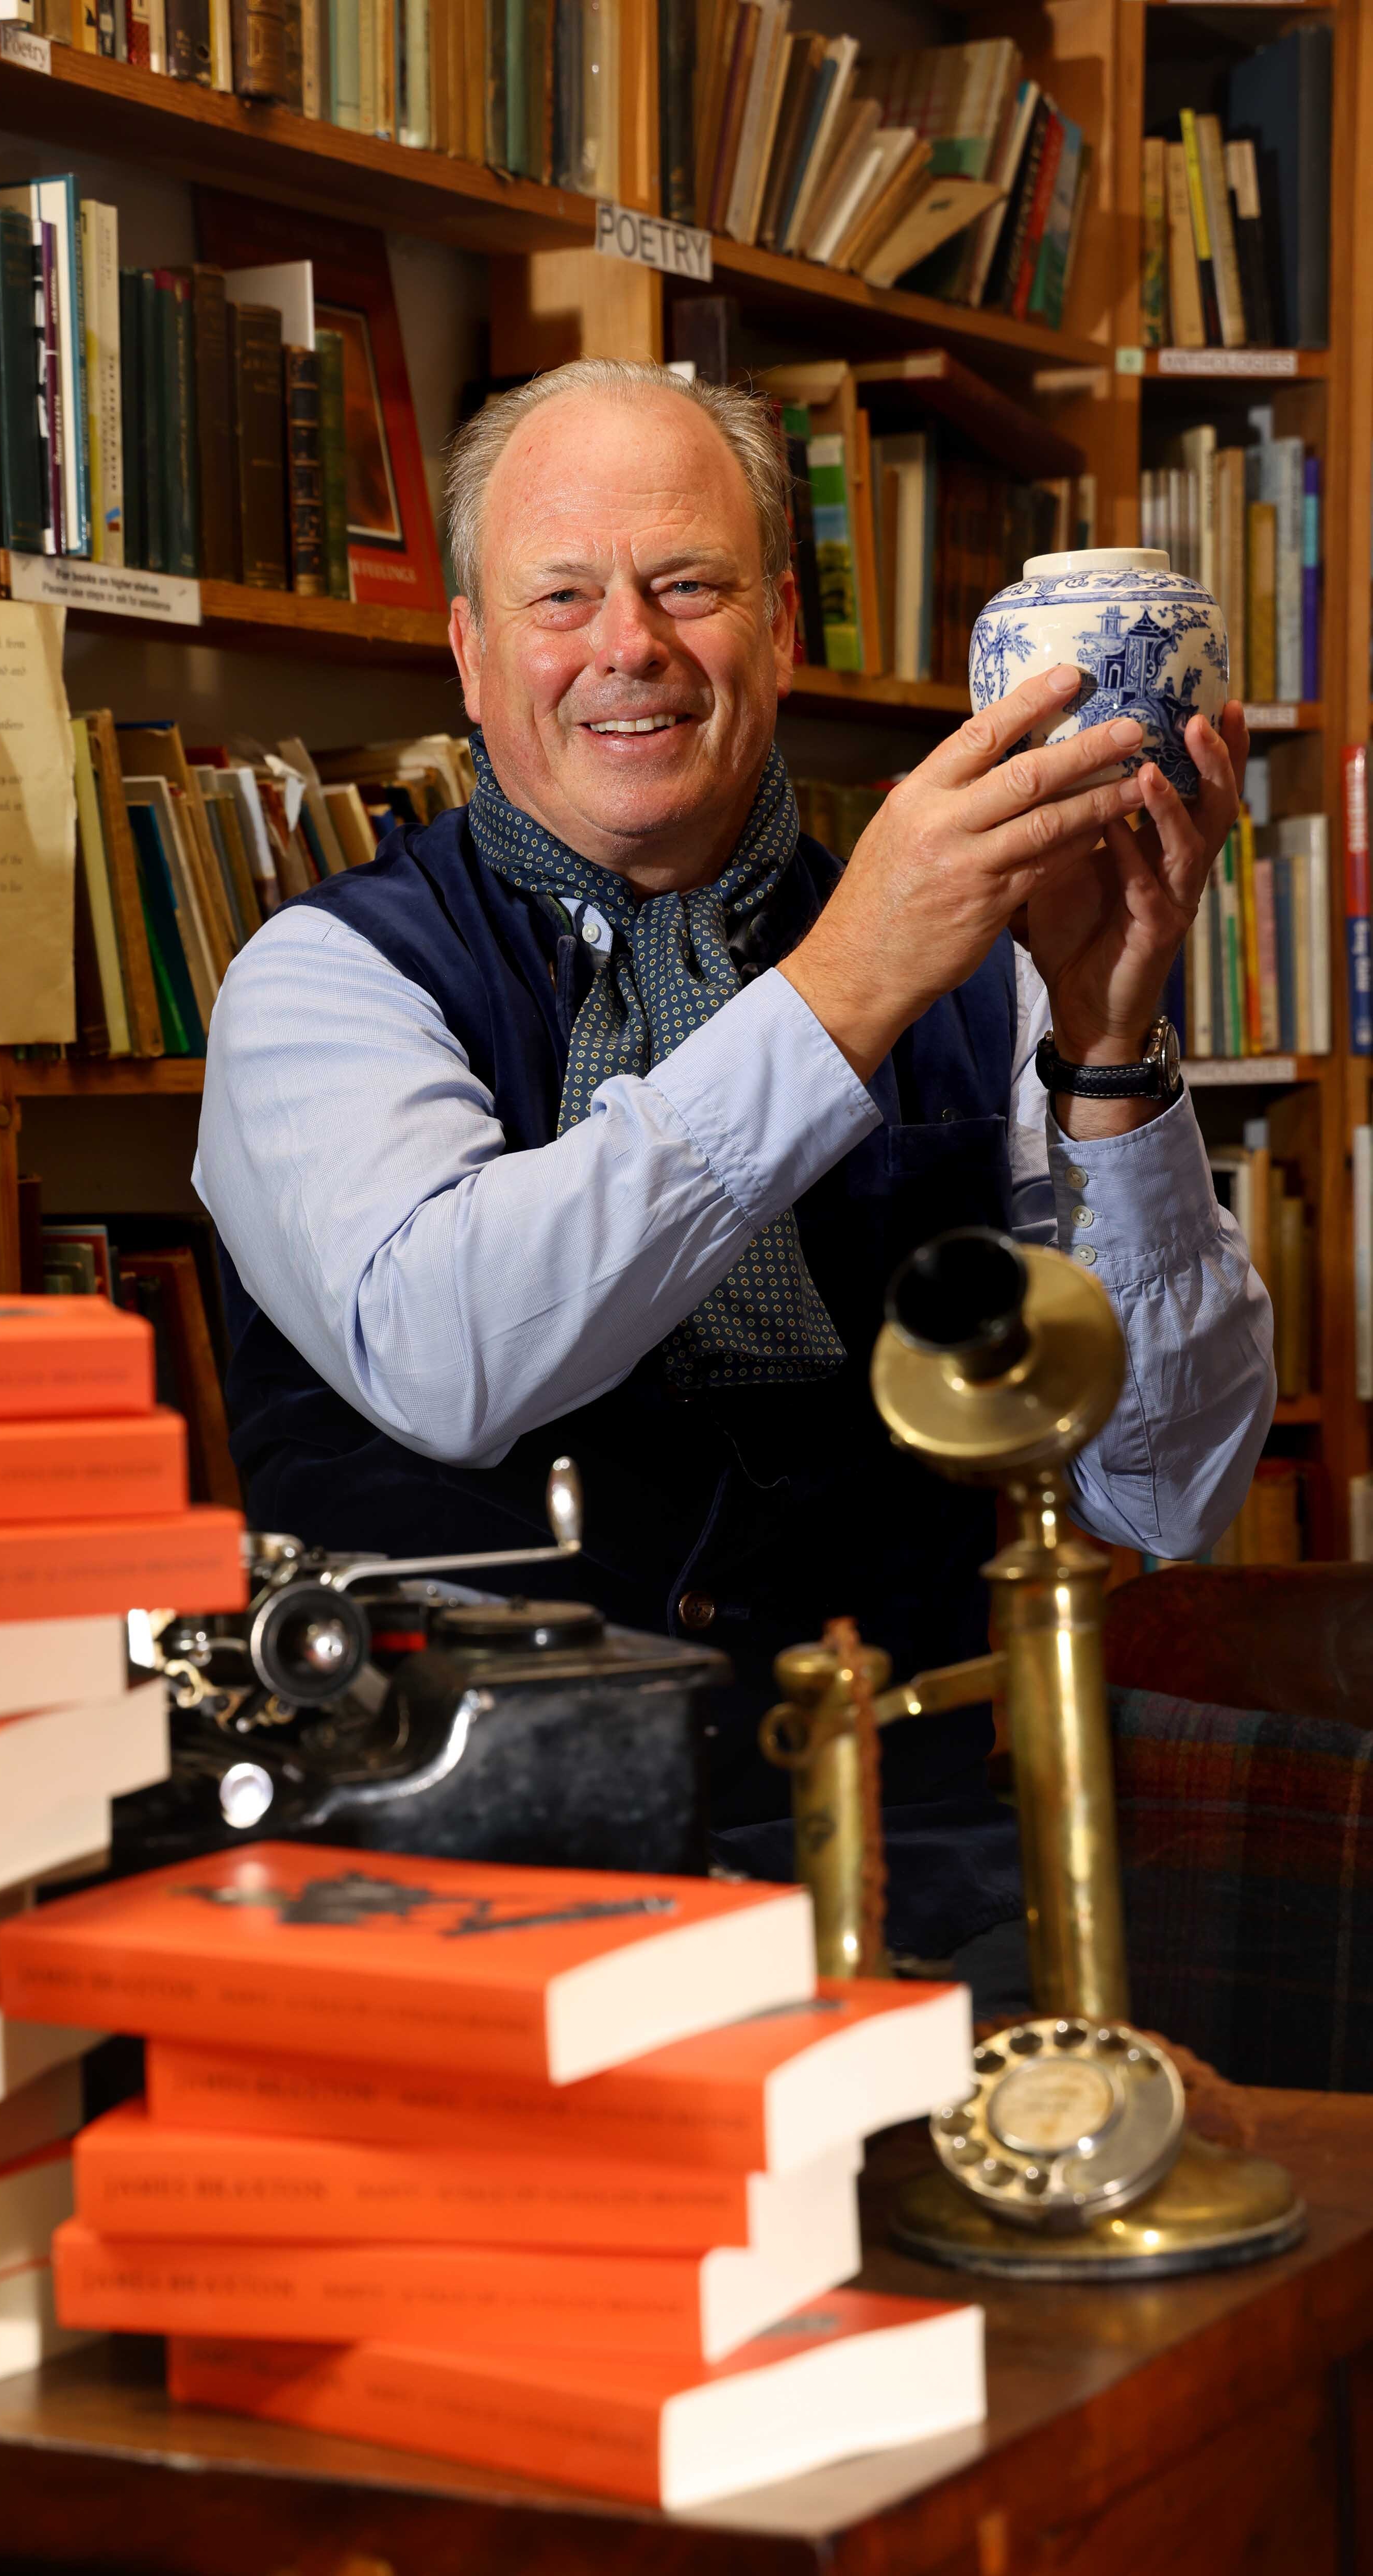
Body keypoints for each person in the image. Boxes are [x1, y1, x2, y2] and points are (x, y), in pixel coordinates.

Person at [194, 358, 1273, 1962]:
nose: (629, 646)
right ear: (471, 656)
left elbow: (1169, 1492)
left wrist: (1113, 1059)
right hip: (457, 1873)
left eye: (687, 584)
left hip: (919, 1870)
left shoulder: (989, 972)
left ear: (777, 622)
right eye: (562, 597)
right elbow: (452, 1361)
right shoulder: (322, 983)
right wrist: (848, 985)